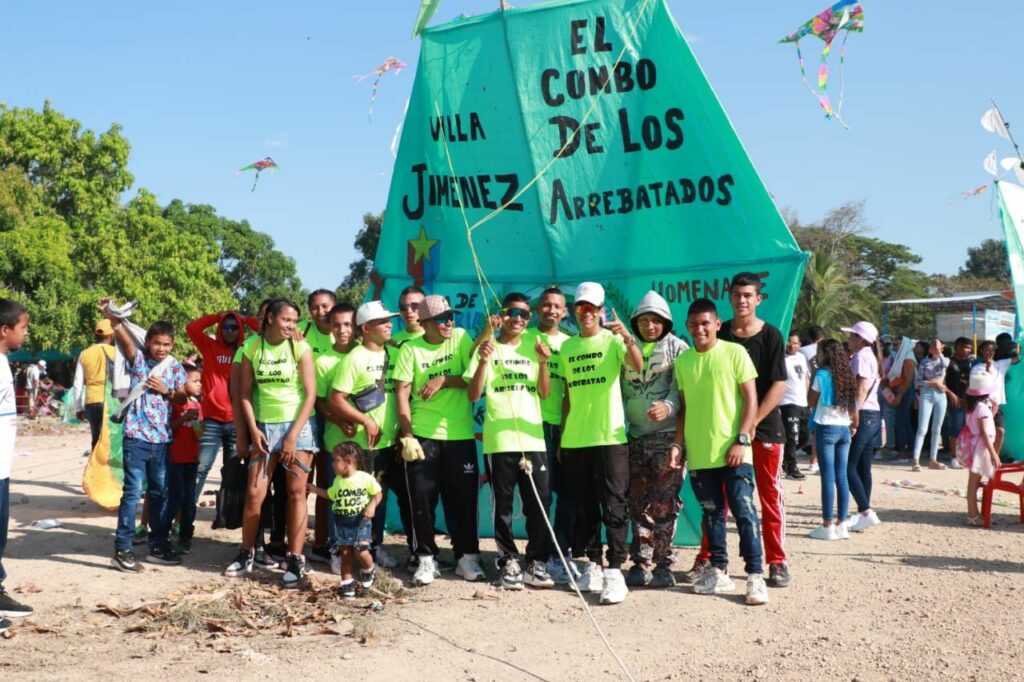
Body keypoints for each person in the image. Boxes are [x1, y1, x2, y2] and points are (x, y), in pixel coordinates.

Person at [672, 298, 767, 605]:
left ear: (716, 325)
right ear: (686, 327)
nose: (699, 329)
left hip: (735, 451)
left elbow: (751, 399)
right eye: (693, 324)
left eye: (705, 323)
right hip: (701, 454)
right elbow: (684, 409)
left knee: (744, 511)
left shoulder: (735, 352)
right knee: (712, 514)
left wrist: (741, 439)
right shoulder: (683, 362)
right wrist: (678, 444)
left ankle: (755, 576)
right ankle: (720, 571)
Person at [559, 282, 643, 605]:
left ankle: (616, 571)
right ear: (575, 311)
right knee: (584, 505)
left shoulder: (612, 341)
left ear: (601, 311)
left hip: (609, 437)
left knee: (614, 504)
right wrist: (564, 435)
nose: (586, 314)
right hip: (577, 439)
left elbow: (637, 365)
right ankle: (593, 563)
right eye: (581, 308)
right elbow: (567, 395)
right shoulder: (566, 348)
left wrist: (627, 336)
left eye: (592, 308)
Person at [226, 299, 317, 588]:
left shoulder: (301, 347)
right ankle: (246, 552)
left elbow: (311, 395)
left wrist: (292, 436)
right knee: (254, 493)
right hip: (263, 427)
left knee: (295, 493)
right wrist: (252, 431)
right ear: (269, 318)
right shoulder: (252, 347)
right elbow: (243, 395)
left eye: (295, 321)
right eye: (286, 320)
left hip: (298, 427)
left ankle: (296, 558)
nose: (291, 326)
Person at [466, 293, 554, 590]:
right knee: (502, 505)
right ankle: (508, 561)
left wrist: (543, 363)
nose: (519, 318)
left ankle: (536, 562)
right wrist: (483, 361)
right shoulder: (488, 347)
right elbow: (473, 394)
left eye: (525, 314)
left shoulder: (535, 342)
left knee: (539, 502)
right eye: (513, 312)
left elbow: (544, 393)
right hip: (499, 441)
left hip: (533, 440)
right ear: (502, 315)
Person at [394, 295, 483, 586]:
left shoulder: (459, 337)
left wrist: (443, 379)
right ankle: (425, 559)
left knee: (463, 500)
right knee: (421, 499)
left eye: (451, 317)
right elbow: (402, 395)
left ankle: (467, 557)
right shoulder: (410, 349)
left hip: (459, 435)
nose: (450, 322)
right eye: (443, 319)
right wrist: (407, 434)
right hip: (423, 434)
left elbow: (472, 380)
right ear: (426, 324)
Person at [100, 300, 189, 572]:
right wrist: (113, 318)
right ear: (148, 342)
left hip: (161, 440)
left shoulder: (174, 367)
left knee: (159, 493)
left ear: (173, 345)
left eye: (166, 344)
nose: (161, 349)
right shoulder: (138, 360)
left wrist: (166, 390)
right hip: (136, 439)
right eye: (156, 343)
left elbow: (182, 396)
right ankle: (123, 548)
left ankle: (158, 545)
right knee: (131, 494)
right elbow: (123, 336)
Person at [719, 272, 790, 588]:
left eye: (748, 295)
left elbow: (778, 384)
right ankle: (711, 560)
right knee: (718, 498)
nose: (742, 300)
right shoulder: (719, 332)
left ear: (758, 299)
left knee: (769, 496)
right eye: (737, 294)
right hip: (724, 428)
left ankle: (776, 561)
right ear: (730, 297)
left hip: (764, 430)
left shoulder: (771, 336)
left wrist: (752, 424)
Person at [328, 301, 406, 570]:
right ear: (366, 328)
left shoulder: (395, 354)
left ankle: (374, 547)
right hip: (362, 447)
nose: (389, 325)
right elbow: (336, 399)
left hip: (389, 443)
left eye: (390, 320)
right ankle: (343, 551)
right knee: (353, 503)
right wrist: (364, 420)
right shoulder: (355, 358)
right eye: (383, 321)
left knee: (378, 499)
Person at [619, 290, 688, 588]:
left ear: (666, 322)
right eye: (644, 320)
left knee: (664, 504)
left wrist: (669, 406)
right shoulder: (623, 349)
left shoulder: (678, 348)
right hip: (633, 438)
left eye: (656, 320)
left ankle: (663, 564)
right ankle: (640, 561)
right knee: (637, 503)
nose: (650, 326)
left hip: (665, 439)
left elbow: (680, 388)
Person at [526, 288, 575, 585]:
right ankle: (538, 558)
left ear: (565, 312)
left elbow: (572, 392)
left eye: (557, 306)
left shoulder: (570, 344)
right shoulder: (524, 339)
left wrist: (567, 432)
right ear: (537, 309)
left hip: (564, 429)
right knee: (539, 498)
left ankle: (561, 553)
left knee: (567, 496)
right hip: (532, 427)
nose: (551, 310)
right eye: (546, 305)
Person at [186, 311, 255, 507]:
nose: (230, 331)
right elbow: (192, 328)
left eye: (234, 327)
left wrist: (246, 319)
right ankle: (184, 518)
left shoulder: (248, 349)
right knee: (201, 467)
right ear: (220, 329)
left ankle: (225, 514)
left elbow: (265, 331)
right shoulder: (209, 346)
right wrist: (218, 316)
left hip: (237, 421)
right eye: (226, 327)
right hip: (212, 420)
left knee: (232, 470)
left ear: (240, 330)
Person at [310, 303, 358, 565]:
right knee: (336, 497)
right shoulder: (323, 360)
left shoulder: (366, 355)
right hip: (334, 440)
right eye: (337, 324)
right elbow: (319, 401)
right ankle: (336, 548)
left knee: (361, 496)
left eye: (348, 324)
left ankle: (364, 547)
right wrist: (338, 421)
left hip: (364, 443)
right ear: (329, 327)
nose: (343, 330)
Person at [307, 443, 382, 599]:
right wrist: (314, 489)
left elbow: (377, 493)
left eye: (335, 460)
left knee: (360, 551)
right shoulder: (338, 481)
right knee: (345, 555)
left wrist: (372, 506)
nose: (332, 463)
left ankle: (369, 569)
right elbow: (330, 495)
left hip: (360, 521)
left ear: (348, 461)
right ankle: (347, 585)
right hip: (342, 524)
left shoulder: (364, 478)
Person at [0, 299, 33, 632]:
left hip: (3, 467)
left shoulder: (4, 362)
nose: (26, 332)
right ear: (4, 330)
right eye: (22, 327)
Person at [806, 339, 858, 540]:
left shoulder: (821, 374)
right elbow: (853, 407)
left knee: (827, 477)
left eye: (818, 353)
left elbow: (810, 400)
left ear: (825, 355)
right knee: (841, 476)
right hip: (844, 427)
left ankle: (827, 525)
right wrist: (855, 424)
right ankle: (841, 523)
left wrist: (812, 377)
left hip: (826, 427)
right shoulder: (847, 376)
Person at [842, 321, 883, 532]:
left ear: (861, 339)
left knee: (848, 466)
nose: (849, 340)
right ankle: (862, 513)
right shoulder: (871, 356)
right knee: (863, 467)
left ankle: (866, 511)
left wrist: (853, 415)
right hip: (873, 414)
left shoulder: (862, 357)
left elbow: (861, 389)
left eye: (852, 336)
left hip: (864, 413)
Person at [165, 369, 203, 554]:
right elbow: (168, 428)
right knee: (174, 499)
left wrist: (195, 422)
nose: (199, 384)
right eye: (195, 380)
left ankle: (185, 538)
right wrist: (184, 418)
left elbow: (199, 434)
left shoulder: (197, 405)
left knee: (189, 501)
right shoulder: (173, 405)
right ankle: (162, 534)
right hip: (176, 459)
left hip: (192, 459)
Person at [958, 372, 1001, 526]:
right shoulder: (982, 407)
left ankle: (973, 514)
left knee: (973, 483)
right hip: (981, 448)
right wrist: (993, 453)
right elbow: (984, 431)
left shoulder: (973, 406)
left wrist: (993, 410)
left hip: (975, 445)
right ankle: (973, 515)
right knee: (974, 484)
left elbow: (981, 424)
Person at [72, 319, 117, 450]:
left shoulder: (84, 354)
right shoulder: (115, 353)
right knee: (110, 440)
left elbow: (77, 383)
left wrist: (78, 408)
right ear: (111, 335)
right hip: (110, 401)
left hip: (91, 401)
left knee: (96, 439)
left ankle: (94, 467)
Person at [912, 338, 950, 471]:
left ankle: (933, 459)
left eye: (937, 344)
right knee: (922, 428)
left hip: (940, 395)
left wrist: (939, 351)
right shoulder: (924, 362)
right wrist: (934, 383)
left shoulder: (944, 360)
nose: (935, 346)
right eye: (932, 345)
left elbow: (944, 364)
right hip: (927, 394)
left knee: (937, 429)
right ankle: (915, 459)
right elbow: (918, 382)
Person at [780, 333, 810, 481]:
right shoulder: (781, 359)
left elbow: (805, 378)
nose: (792, 346)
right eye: (789, 343)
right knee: (792, 436)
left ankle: (786, 457)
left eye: (796, 343)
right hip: (787, 402)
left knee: (805, 436)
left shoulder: (802, 358)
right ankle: (791, 466)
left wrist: (807, 400)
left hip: (802, 402)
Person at [973, 340, 1010, 456]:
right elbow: (980, 385)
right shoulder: (977, 368)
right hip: (982, 407)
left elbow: (1016, 358)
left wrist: (1019, 342)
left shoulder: (1000, 364)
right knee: (983, 434)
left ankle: (994, 458)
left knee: (1000, 431)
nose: (990, 352)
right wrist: (988, 368)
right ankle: (981, 457)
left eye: (992, 350)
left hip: (996, 406)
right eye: (987, 350)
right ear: (981, 351)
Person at [884, 336, 917, 460]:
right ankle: (909, 450)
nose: (895, 346)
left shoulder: (908, 358)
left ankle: (903, 452)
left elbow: (908, 380)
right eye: (894, 344)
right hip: (900, 391)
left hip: (904, 392)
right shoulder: (901, 357)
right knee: (905, 422)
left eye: (898, 344)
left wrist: (900, 395)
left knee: (901, 422)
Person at [944, 337, 973, 468]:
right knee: (955, 429)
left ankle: (965, 455)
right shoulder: (948, 362)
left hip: (969, 401)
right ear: (958, 347)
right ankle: (953, 457)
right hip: (954, 400)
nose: (969, 350)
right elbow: (942, 382)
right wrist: (951, 395)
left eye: (969, 347)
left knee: (968, 429)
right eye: (966, 347)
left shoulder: (970, 363)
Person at [301, 289, 338, 357]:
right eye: (314, 308)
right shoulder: (302, 329)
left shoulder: (345, 333)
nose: (320, 312)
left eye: (325, 306)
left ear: (335, 307)